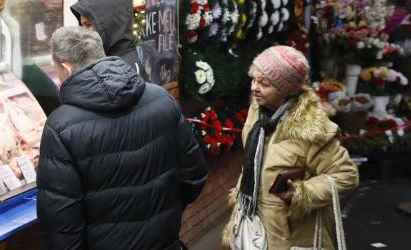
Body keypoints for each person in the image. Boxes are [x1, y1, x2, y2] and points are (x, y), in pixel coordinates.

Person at [37, 26, 207, 249]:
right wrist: (161, 213)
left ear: (67, 68)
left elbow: (61, 227)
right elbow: (194, 177)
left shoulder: (60, 126)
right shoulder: (161, 98)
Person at [222, 45, 359, 250]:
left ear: (284, 90)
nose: (254, 87)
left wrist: (302, 192)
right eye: (253, 79)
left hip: (288, 236)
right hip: (249, 225)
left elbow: (346, 175)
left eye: (264, 83)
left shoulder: (312, 130)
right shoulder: (257, 112)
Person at [70, 0, 146, 77]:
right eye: (82, 25)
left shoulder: (123, 69)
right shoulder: (111, 61)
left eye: (88, 25)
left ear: (108, 24)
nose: (83, 32)